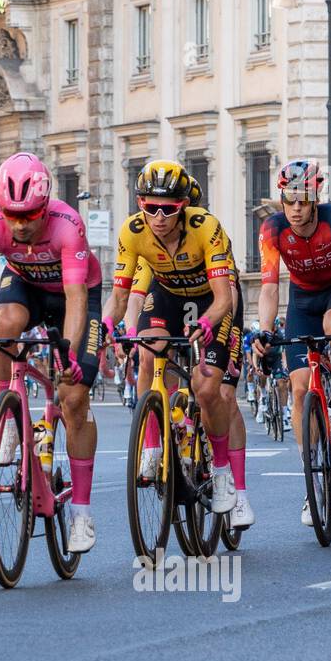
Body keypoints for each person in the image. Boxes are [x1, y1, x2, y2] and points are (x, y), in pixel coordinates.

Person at [0, 152, 103, 550]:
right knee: (4, 326)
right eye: (10, 214)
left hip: (76, 296)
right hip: (27, 287)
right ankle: (10, 418)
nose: (18, 224)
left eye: (29, 216)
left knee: (73, 399)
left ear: (45, 206)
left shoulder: (68, 226)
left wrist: (67, 356)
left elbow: (75, 298)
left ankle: (81, 511)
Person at [105, 159, 238, 516]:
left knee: (207, 387)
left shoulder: (204, 226)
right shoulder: (132, 232)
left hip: (211, 298)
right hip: (168, 296)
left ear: (183, 208)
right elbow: (122, 296)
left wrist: (208, 323)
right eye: (151, 207)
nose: (159, 216)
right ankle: (151, 446)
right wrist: (106, 328)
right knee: (149, 352)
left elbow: (224, 298)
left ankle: (223, 472)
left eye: (168, 209)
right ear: (140, 206)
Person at [251, 159, 331, 526]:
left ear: (315, 198)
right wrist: (266, 330)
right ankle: (311, 474)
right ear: (282, 200)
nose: (297, 209)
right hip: (301, 299)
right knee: (300, 390)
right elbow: (270, 287)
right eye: (290, 201)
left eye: (303, 200)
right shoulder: (272, 228)